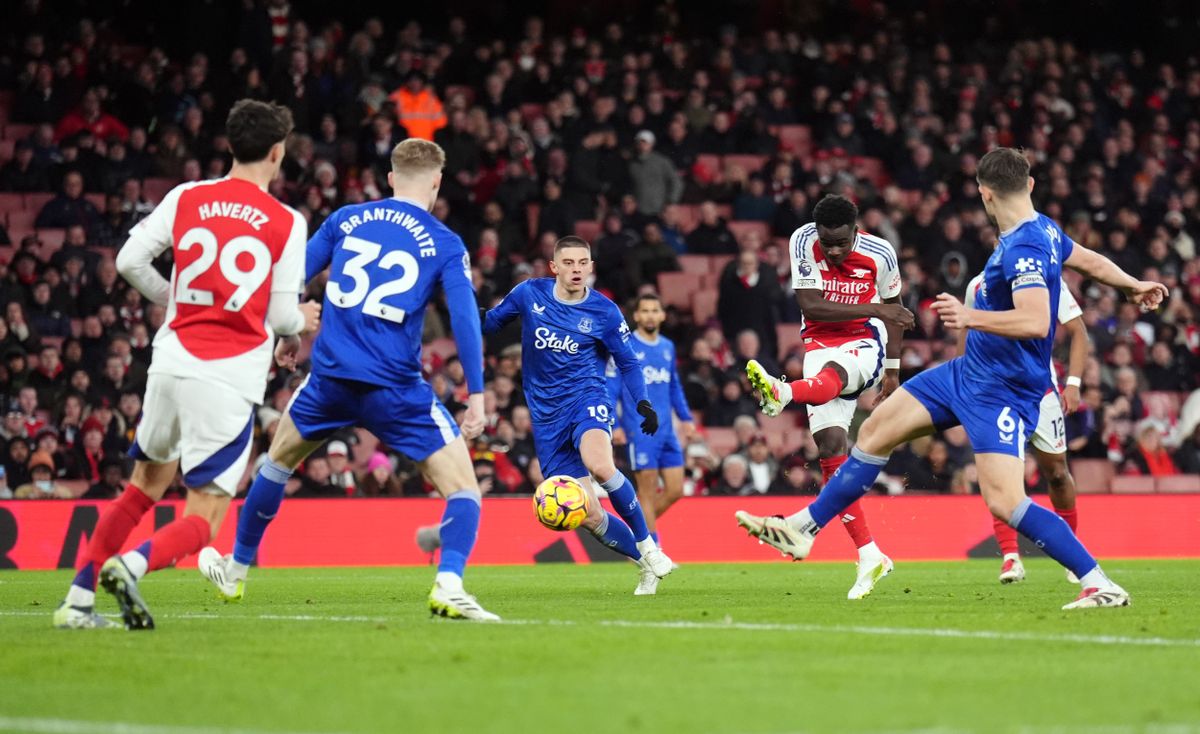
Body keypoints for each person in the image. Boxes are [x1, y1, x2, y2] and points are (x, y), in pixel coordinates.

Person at [736, 148, 1167, 610]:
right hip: (966, 374)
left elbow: (1037, 321)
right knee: (878, 429)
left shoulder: (1024, 247)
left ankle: (1098, 581)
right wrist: (1132, 284)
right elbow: (1086, 259)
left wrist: (969, 315)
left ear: (984, 192)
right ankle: (803, 529)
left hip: (1003, 389)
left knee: (1005, 501)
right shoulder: (1041, 228)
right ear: (1031, 185)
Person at [197, 138, 498, 621]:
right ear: (437, 184)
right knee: (464, 490)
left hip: (328, 383)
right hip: (395, 390)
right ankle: (449, 583)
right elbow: (464, 321)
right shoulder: (444, 242)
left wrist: (290, 330)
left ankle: (235, 569)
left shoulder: (346, 219)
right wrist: (477, 397)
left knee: (276, 463)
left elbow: (288, 276)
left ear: (392, 177)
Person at [53, 99, 319, 630]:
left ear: (228, 146)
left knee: (141, 488)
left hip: (169, 362)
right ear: (276, 152)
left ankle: (76, 601)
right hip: (226, 374)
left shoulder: (186, 196)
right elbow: (285, 313)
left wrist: (173, 300)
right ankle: (130, 567)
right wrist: (303, 320)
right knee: (206, 517)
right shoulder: (286, 221)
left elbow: (128, 261)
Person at [482, 236, 673, 595]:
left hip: (587, 398)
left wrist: (642, 402)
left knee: (600, 464)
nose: (576, 270)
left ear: (591, 267)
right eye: (568, 263)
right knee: (590, 515)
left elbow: (629, 362)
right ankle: (646, 564)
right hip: (545, 416)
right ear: (554, 267)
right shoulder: (529, 294)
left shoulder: (605, 312)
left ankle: (649, 544)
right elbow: (490, 323)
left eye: (582, 263)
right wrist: (462, 312)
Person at [745, 194, 914, 600]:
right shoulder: (803, 240)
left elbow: (895, 315)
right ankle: (870, 554)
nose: (834, 250)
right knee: (831, 449)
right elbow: (811, 306)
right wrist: (876, 307)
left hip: (863, 344)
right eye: (828, 242)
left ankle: (782, 391)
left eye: (842, 242)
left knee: (833, 378)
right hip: (818, 343)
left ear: (856, 231)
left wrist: (891, 371)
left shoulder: (881, 253)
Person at [959, 272, 1090, 584]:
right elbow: (964, 337)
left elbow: (1078, 331)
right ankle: (1010, 558)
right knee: (1001, 476)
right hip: (996, 396)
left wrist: (1073, 383)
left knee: (1057, 475)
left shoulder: (1046, 281)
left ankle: (1071, 554)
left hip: (1041, 394)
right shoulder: (976, 286)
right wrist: (965, 389)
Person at [607, 294, 694, 552]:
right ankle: (652, 552)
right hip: (640, 430)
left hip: (667, 430)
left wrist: (686, 419)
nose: (649, 315)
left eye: (654, 310)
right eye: (644, 310)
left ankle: (635, 532)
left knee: (676, 489)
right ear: (636, 316)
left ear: (662, 315)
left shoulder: (667, 347)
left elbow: (674, 386)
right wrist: (615, 424)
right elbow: (610, 388)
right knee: (645, 492)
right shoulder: (625, 346)